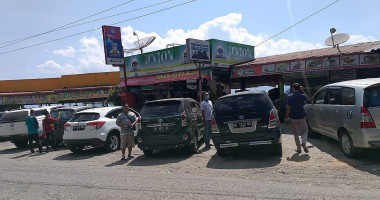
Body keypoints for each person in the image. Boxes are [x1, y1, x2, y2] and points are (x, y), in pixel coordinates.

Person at [286, 83, 309, 154]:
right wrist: (303, 91)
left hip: (293, 117)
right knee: (304, 131)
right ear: (299, 88)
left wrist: (287, 116)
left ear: (293, 88)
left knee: (296, 133)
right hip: (302, 116)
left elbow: (288, 108)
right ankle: (304, 142)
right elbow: (308, 100)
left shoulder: (289, 97)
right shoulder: (302, 96)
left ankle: (299, 149)